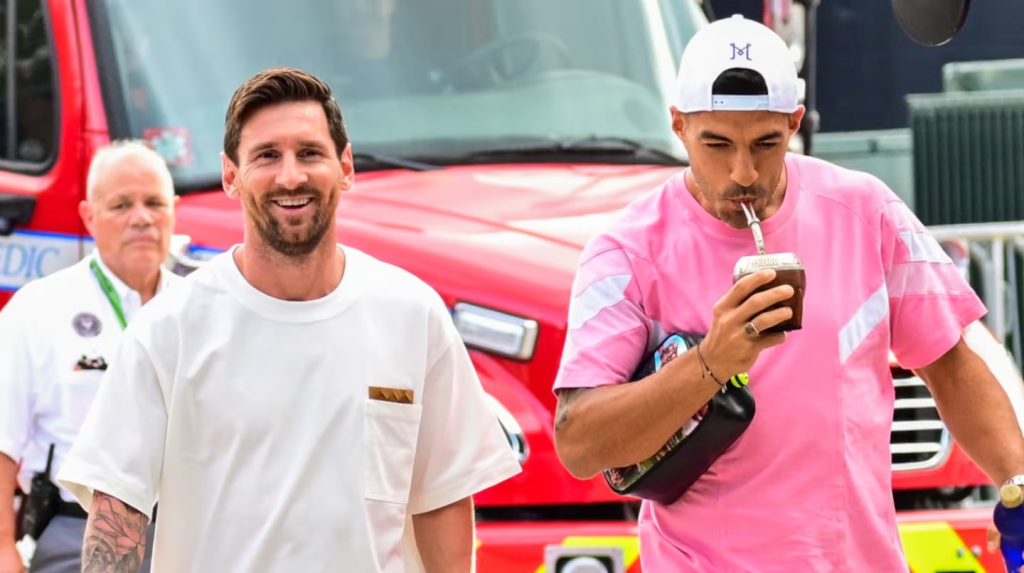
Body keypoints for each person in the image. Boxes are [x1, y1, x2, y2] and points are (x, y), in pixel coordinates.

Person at [550, 14, 1024, 572]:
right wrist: (709, 364)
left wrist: (1016, 480)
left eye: (766, 143)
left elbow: (949, 363)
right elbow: (578, 444)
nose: (743, 172)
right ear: (678, 125)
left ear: (795, 122)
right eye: (717, 144)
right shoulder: (625, 252)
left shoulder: (867, 211)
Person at [56, 67, 522, 572]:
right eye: (266, 156)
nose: (290, 176)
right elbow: (117, 514)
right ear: (231, 176)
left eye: (310, 153)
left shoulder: (413, 315)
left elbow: (443, 499)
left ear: (345, 166)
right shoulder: (168, 330)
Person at [0, 140, 179, 573]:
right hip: (75, 532)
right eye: (121, 205)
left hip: (184, 531)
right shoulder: (38, 308)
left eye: (154, 203)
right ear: (88, 216)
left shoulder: (199, 307)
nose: (142, 218)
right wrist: (4, 551)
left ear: (174, 209)